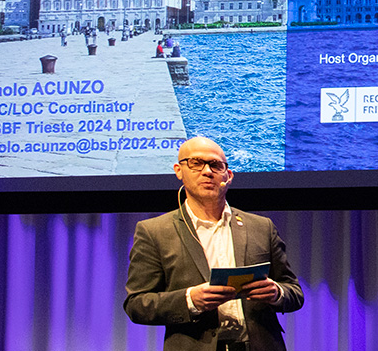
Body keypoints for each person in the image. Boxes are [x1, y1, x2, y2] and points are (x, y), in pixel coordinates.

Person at [125, 137, 303, 351]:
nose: (207, 171)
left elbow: (294, 292)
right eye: (196, 163)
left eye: (216, 165)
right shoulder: (154, 231)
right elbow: (137, 304)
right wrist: (190, 300)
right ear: (178, 170)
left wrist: (276, 293)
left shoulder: (261, 226)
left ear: (228, 176)